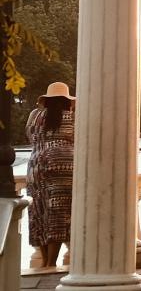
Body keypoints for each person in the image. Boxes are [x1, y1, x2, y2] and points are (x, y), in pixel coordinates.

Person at [27, 81, 74, 268]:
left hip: (36, 166)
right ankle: (50, 263)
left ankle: (46, 261)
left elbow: (29, 136)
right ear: (66, 101)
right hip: (63, 168)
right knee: (58, 213)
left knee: (39, 212)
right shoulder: (72, 117)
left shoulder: (34, 116)